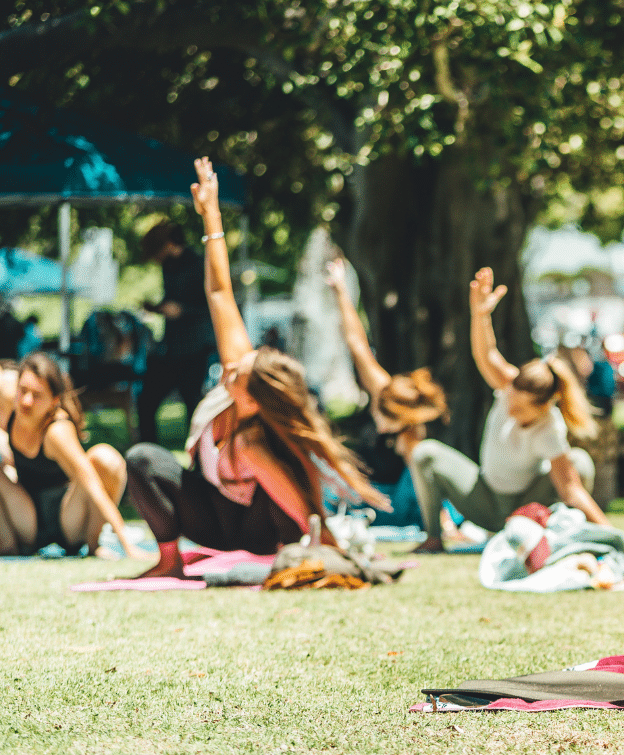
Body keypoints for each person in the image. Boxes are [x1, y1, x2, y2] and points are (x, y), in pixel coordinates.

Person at [125, 157, 387, 579]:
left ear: (258, 399)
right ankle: (169, 561)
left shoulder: (255, 443)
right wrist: (210, 214)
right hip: (210, 519)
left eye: (238, 378)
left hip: (257, 529)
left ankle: (287, 552)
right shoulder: (238, 372)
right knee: (142, 458)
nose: (228, 374)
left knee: (280, 487)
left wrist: (339, 553)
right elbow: (218, 290)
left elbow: (300, 504)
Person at [409, 267, 608, 553]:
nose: (511, 411)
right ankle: (433, 538)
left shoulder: (550, 428)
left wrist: (610, 534)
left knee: (579, 462)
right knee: (424, 452)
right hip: (484, 500)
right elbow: (486, 354)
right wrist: (480, 315)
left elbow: (571, 489)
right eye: (510, 401)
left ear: (544, 407)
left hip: (526, 508)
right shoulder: (510, 385)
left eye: (521, 409)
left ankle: (569, 538)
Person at [325, 257, 449, 527]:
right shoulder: (382, 388)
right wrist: (341, 291)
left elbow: (424, 484)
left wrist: (442, 526)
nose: (381, 425)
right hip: (370, 492)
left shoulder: (411, 433)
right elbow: (357, 342)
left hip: (397, 502)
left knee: (416, 472)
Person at [0, 352, 140, 559]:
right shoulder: (11, 408)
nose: (27, 401)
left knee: (106, 458)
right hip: (27, 519)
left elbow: (92, 485)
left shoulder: (57, 431)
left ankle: (94, 545)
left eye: (37, 395)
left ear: (54, 400)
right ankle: (7, 546)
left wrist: (127, 545)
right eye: (23, 391)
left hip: (67, 521)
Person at [137, 220, 218, 444]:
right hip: (172, 349)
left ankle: (201, 460)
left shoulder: (198, 264)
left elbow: (210, 305)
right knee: (146, 401)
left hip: (196, 349)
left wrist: (183, 310)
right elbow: (172, 300)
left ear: (169, 244)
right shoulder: (168, 267)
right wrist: (157, 308)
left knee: (194, 405)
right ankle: (147, 454)